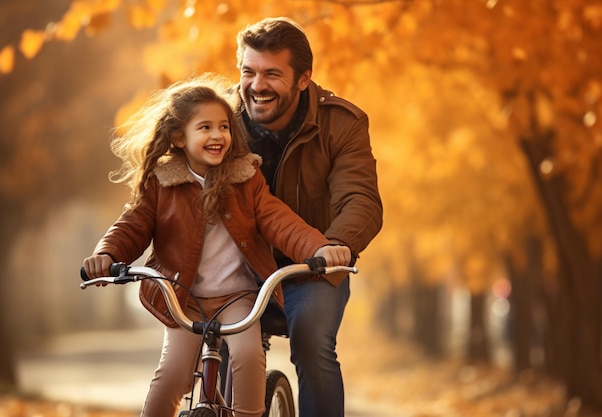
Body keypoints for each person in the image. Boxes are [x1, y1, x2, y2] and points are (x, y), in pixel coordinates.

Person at [81, 73, 352, 417]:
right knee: (171, 377)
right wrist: (106, 254)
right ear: (178, 137)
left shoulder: (245, 178)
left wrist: (319, 248)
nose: (217, 135)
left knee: (249, 359)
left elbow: (279, 221)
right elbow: (132, 226)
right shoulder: (162, 183)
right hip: (184, 298)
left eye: (224, 127)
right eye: (205, 127)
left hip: (237, 298)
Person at [231, 17, 384, 417]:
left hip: (311, 265)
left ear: (303, 79)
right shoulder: (218, 119)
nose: (257, 85)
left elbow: (361, 199)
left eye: (272, 74)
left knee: (313, 341)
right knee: (210, 343)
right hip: (237, 264)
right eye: (248, 72)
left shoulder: (342, 124)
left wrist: (337, 245)